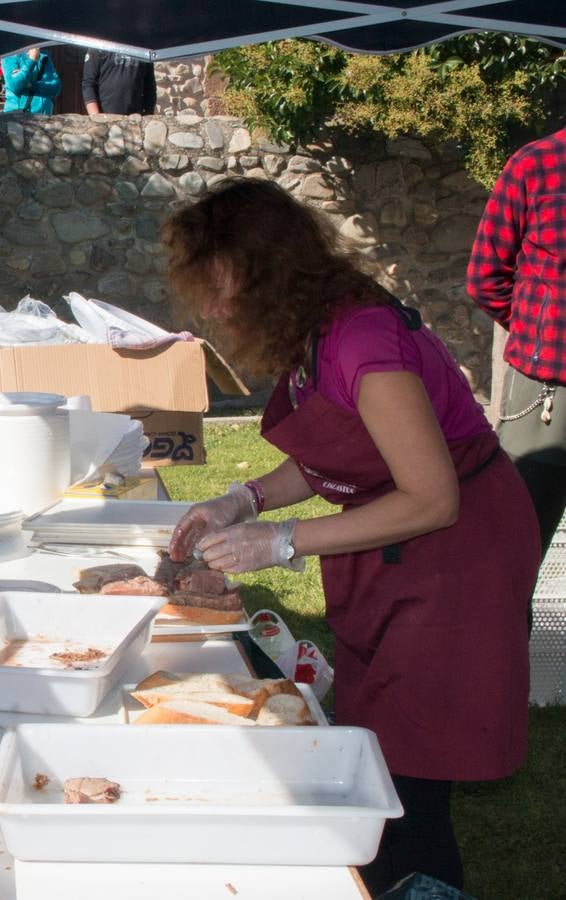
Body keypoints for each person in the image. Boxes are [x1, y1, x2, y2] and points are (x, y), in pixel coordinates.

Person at [161, 178, 536, 896]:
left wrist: (284, 541)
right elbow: (336, 449)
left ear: (271, 273)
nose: (211, 309)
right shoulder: (318, 329)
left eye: (220, 287)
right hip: (407, 544)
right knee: (378, 742)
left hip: (458, 556)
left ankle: (418, 882)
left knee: (412, 773)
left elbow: (431, 497)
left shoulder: (362, 339)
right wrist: (244, 499)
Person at [467, 124, 566, 559]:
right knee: (512, 553)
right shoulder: (536, 164)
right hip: (545, 394)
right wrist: (540, 336)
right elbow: (486, 277)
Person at [81, 50, 156, 115]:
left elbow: (150, 87)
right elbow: (88, 83)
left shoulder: (143, 49)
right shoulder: (100, 44)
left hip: (134, 120)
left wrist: (147, 117)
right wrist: (95, 116)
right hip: (105, 117)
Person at [0, 47, 61, 114]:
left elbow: (56, 88)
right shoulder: (10, 55)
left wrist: (31, 85)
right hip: (20, 117)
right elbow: (15, 85)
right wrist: (32, 60)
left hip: (45, 117)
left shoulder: (44, 56)